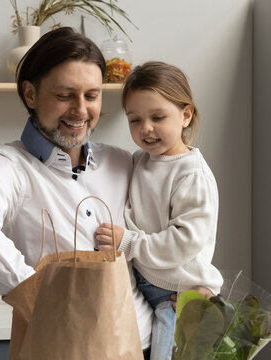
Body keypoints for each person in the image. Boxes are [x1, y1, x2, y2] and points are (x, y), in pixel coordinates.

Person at [0, 27, 153, 356]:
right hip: (60, 348)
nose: (81, 110)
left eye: (91, 95)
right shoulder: (6, 165)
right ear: (31, 95)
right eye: (65, 95)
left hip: (145, 344)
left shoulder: (121, 162)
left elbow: (159, 234)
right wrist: (39, 291)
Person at [95, 61, 224, 360]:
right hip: (149, 290)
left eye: (158, 117)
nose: (146, 129)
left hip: (178, 296)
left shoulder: (192, 175)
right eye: (135, 120)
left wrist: (128, 242)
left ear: (186, 115)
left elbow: (185, 241)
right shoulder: (141, 160)